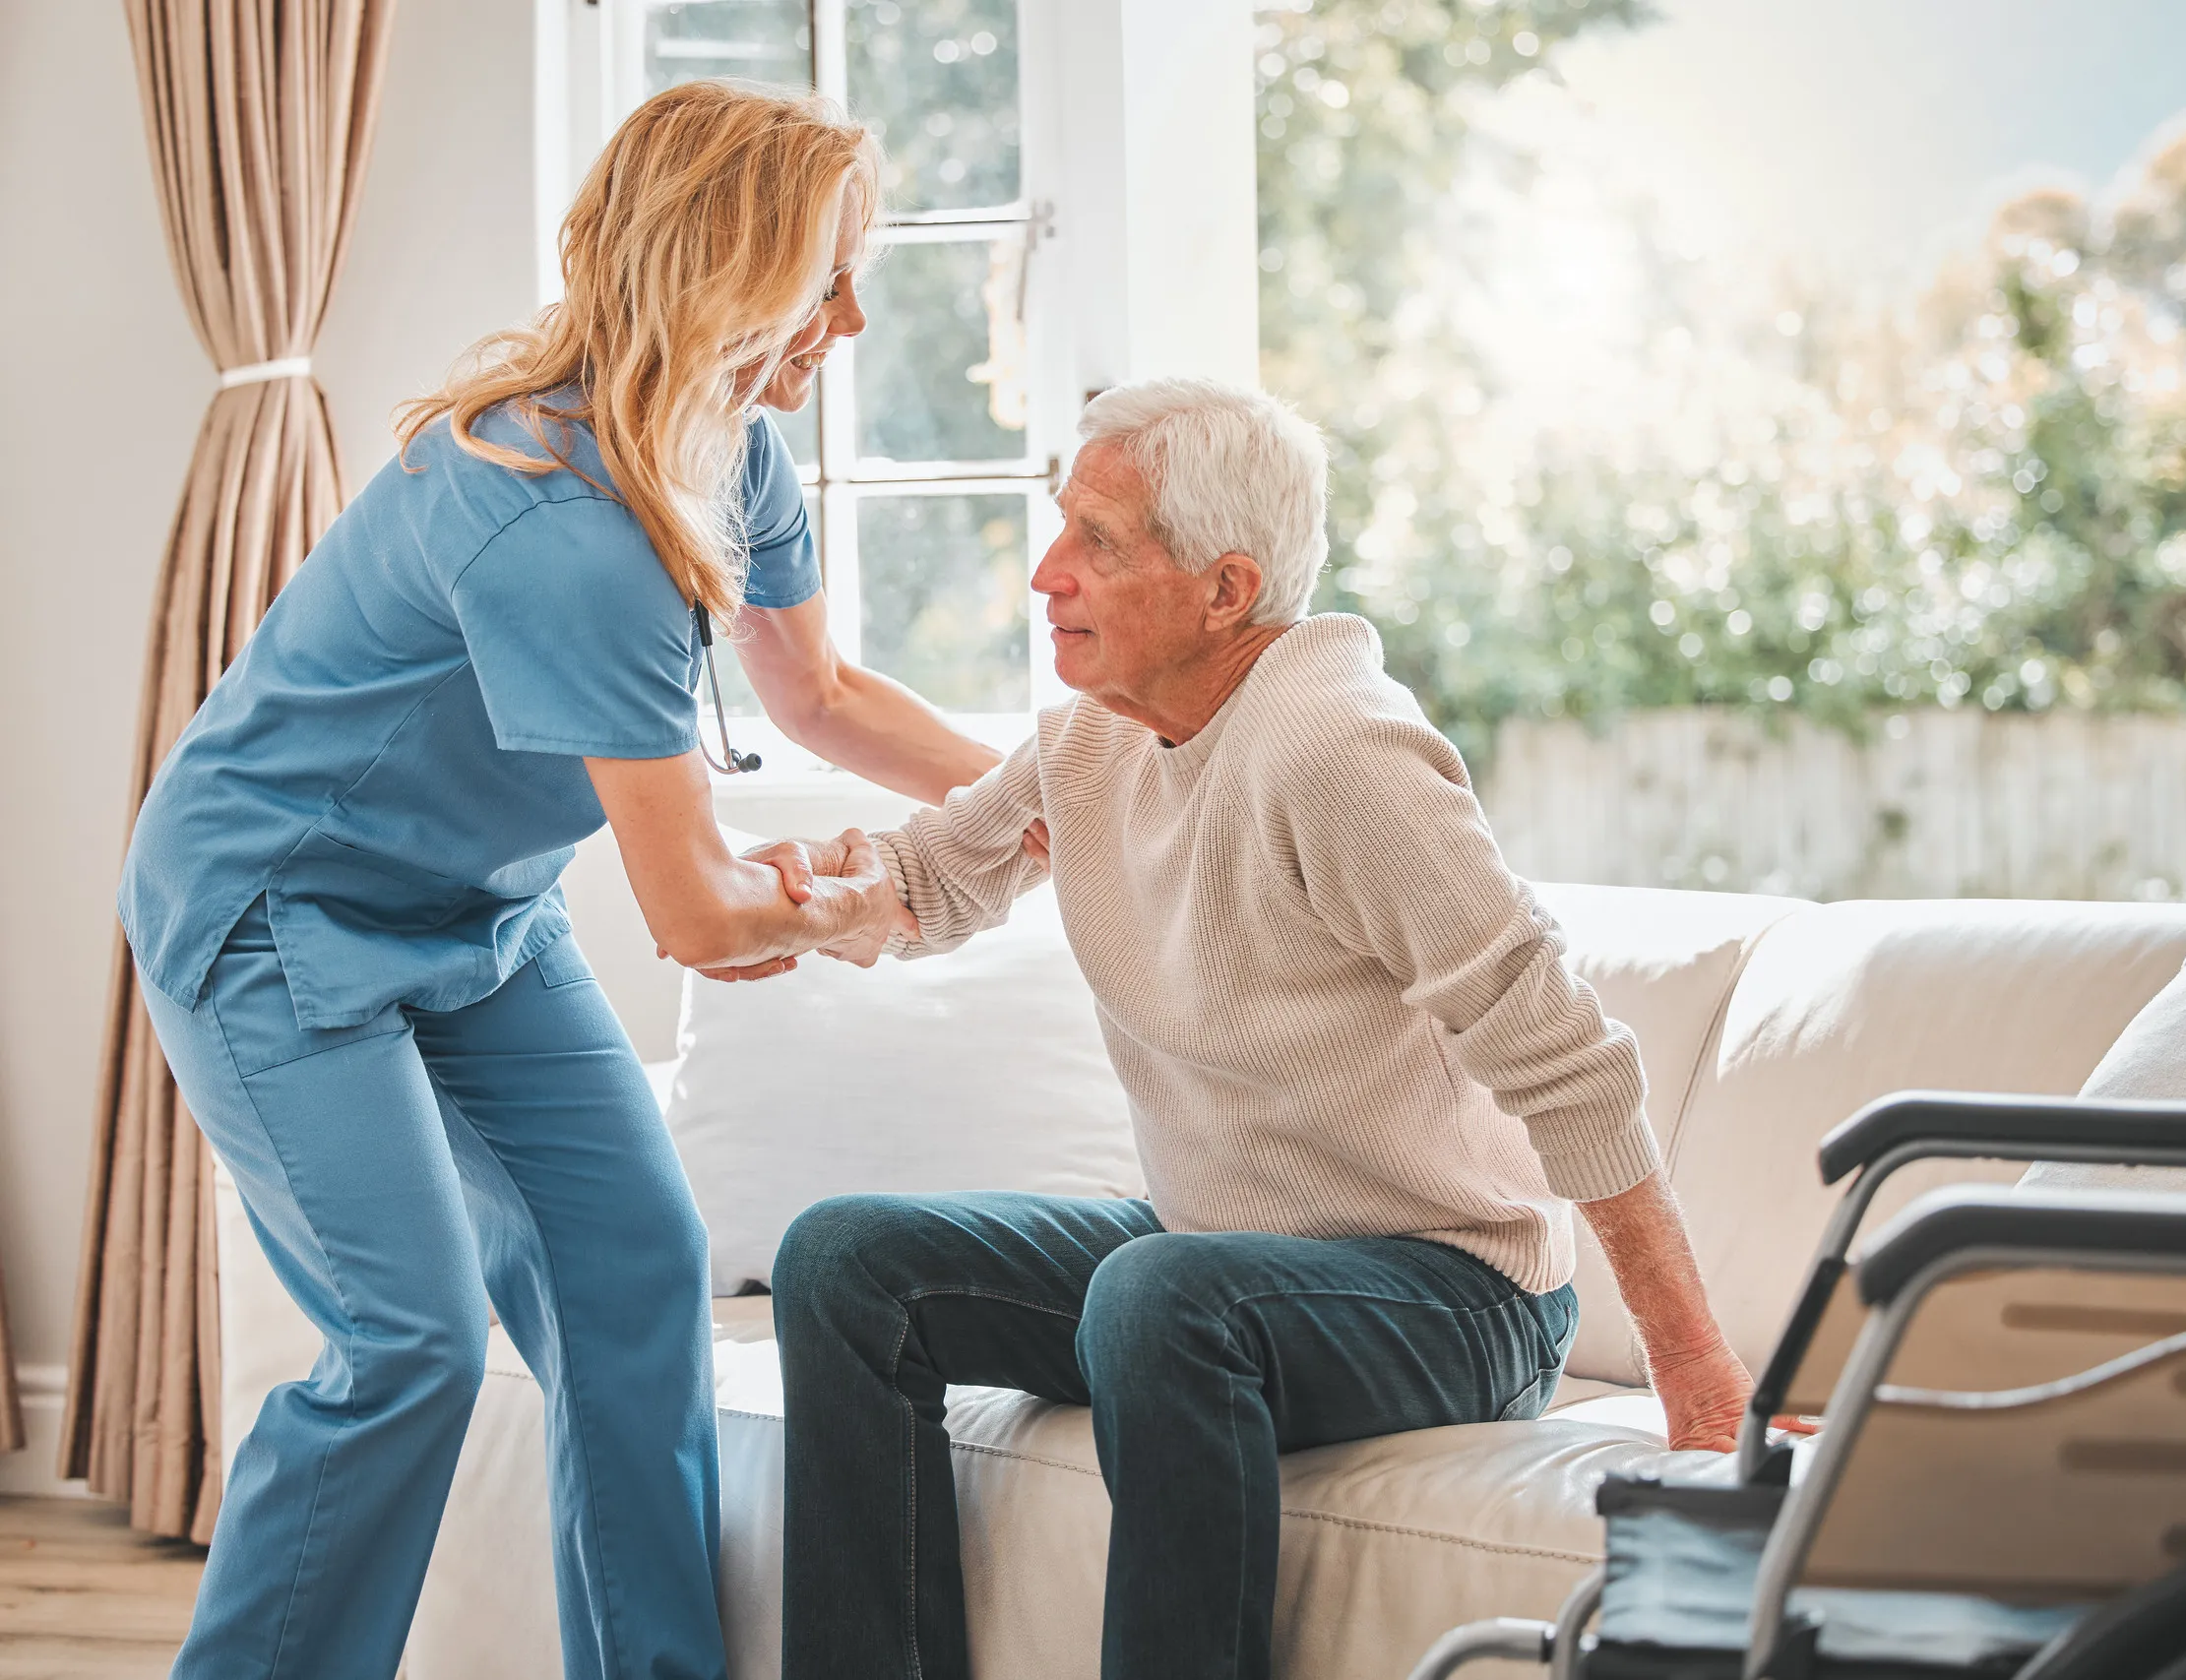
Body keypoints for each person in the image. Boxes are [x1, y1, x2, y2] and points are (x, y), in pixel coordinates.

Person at [117, 84, 968, 1680]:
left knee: (635, 1274)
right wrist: (873, 902)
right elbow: (700, 918)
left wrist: (1035, 796)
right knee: (409, 1345)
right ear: (725, 269)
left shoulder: (733, 447)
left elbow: (822, 699)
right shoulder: (560, 514)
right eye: (827, 277)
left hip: (477, 917)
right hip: (273, 910)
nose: (851, 318)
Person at [772, 378, 1755, 1680]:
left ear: (1226, 589)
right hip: (1217, 1255)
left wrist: (1692, 1369)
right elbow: (940, 869)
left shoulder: (1337, 753)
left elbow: (1565, 1056)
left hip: (1454, 1287)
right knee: (845, 1262)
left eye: (1101, 544)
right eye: (1060, 528)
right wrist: (824, 899)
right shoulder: (1099, 735)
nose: (1046, 576)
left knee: (1158, 1294)